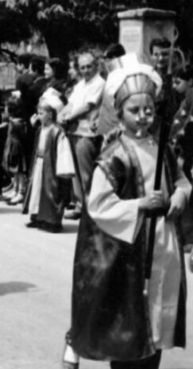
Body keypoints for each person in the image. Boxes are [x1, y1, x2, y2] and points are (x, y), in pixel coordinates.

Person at [66, 63, 191, 369]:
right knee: (129, 329)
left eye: (148, 110)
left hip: (164, 247)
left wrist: (180, 194)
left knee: (157, 324)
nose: (143, 117)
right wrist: (138, 205)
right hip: (129, 252)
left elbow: (181, 180)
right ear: (120, 113)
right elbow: (98, 204)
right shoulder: (114, 155)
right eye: (135, 110)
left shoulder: (164, 147)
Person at [59, 52, 105, 220]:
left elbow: (88, 106)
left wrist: (68, 117)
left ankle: (90, 210)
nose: (85, 70)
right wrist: (61, 114)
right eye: (82, 67)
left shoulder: (99, 83)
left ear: (96, 66)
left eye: (89, 66)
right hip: (74, 131)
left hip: (87, 133)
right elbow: (71, 103)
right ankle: (80, 206)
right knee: (76, 173)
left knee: (86, 173)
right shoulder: (81, 85)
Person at [22, 89, 75, 233]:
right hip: (39, 163)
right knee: (37, 190)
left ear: (50, 114)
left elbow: (63, 151)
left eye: (41, 114)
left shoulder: (57, 131)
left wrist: (64, 169)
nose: (38, 117)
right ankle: (37, 216)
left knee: (51, 192)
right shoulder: (41, 129)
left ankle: (52, 221)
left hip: (51, 166)